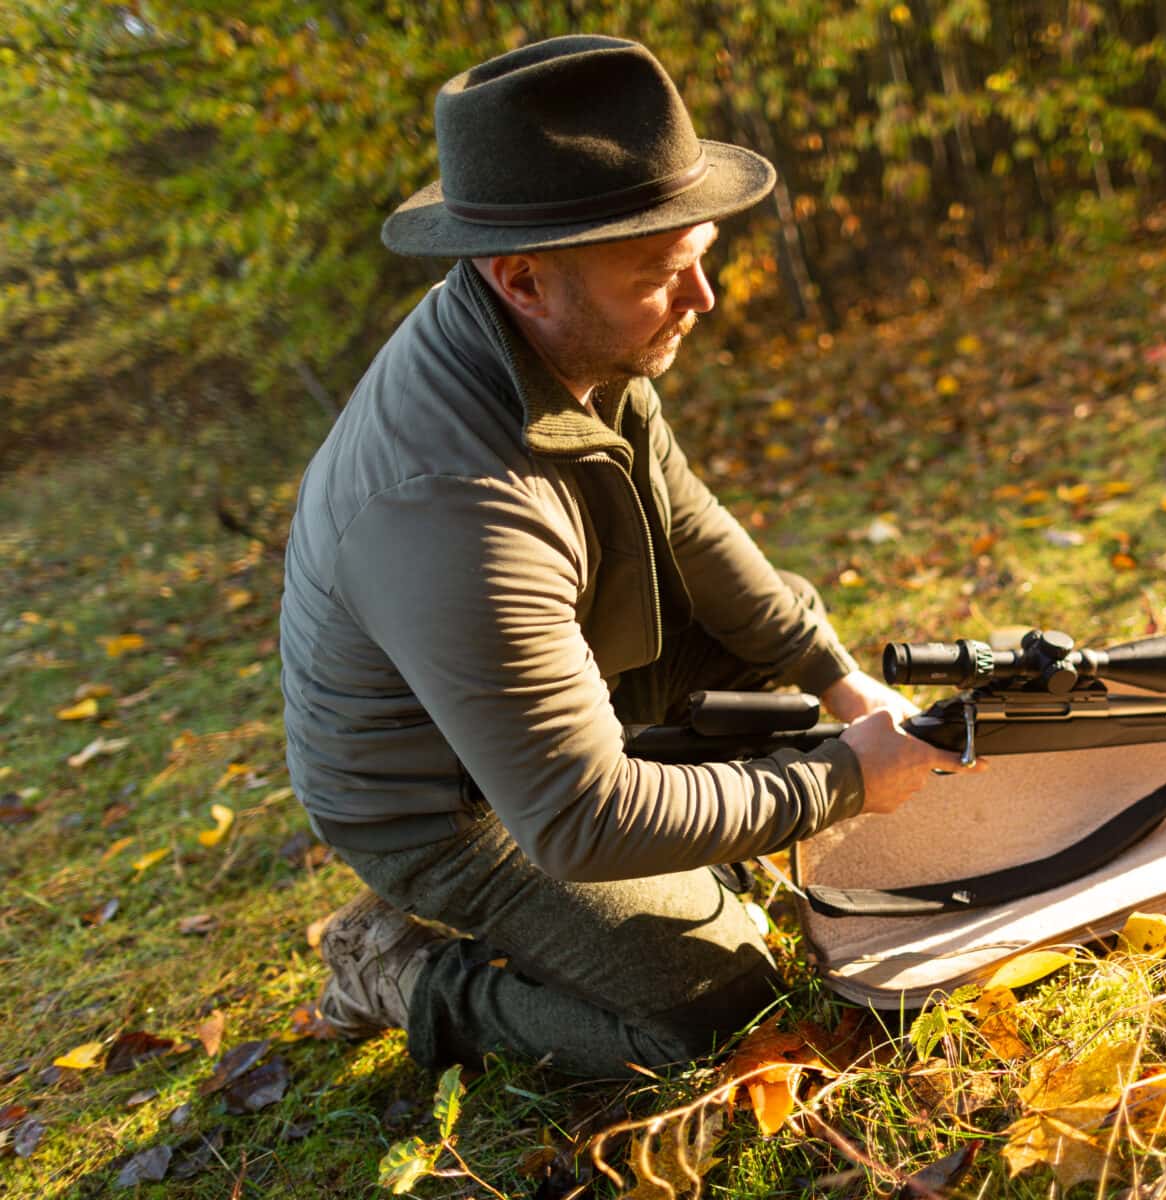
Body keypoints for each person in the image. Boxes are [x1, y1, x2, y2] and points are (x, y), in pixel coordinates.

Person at [278, 34, 974, 1079]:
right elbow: (580, 816)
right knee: (725, 1003)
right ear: (521, 279)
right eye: (664, 274)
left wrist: (837, 686)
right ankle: (399, 966)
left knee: (770, 692)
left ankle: (675, 856)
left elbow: (687, 527)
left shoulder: (577, 340)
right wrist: (838, 780)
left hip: (555, 696)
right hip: (441, 806)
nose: (702, 300)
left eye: (699, 257)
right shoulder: (453, 507)